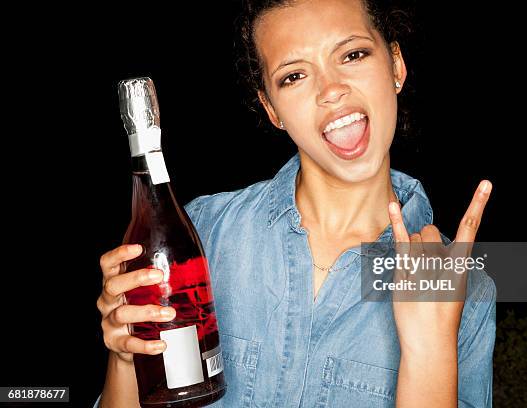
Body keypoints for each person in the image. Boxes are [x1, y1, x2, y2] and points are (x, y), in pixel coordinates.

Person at [94, 0, 496, 406]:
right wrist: (128, 359)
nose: (331, 90)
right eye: (294, 76)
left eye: (352, 54)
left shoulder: (463, 288)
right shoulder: (201, 238)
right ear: (272, 109)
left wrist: (428, 352)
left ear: (396, 66)